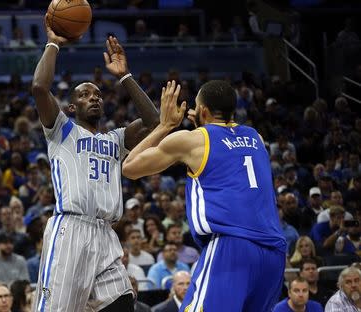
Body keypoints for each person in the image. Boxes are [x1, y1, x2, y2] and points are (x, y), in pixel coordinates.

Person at [30, 16, 159, 311]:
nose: (94, 98)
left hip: (104, 233)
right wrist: (53, 43)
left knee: (123, 303)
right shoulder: (61, 129)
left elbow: (154, 121)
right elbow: (39, 87)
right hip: (70, 230)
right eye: (85, 95)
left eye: (98, 94)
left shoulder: (115, 139)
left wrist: (125, 76)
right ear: (72, 107)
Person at [122, 80, 287, 311]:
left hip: (232, 245)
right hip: (274, 251)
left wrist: (165, 125)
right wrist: (204, 124)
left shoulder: (192, 139)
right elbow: (227, 148)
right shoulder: (256, 138)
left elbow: (129, 167)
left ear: (204, 111)